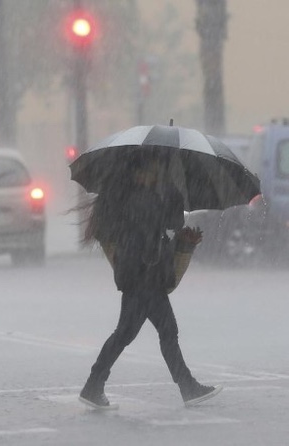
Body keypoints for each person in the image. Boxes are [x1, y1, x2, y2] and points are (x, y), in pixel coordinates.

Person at [79, 152, 222, 409]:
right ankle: (187, 387)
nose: (155, 174)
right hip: (144, 277)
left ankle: (94, 385)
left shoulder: (133, 198)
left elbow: (162, 230)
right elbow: (171, 222)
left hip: (141, 276)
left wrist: (168, 198)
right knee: (153, 333)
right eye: (153, 170)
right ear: (139, 173)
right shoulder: (144, 199)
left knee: (134, 334)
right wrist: (170, 193)